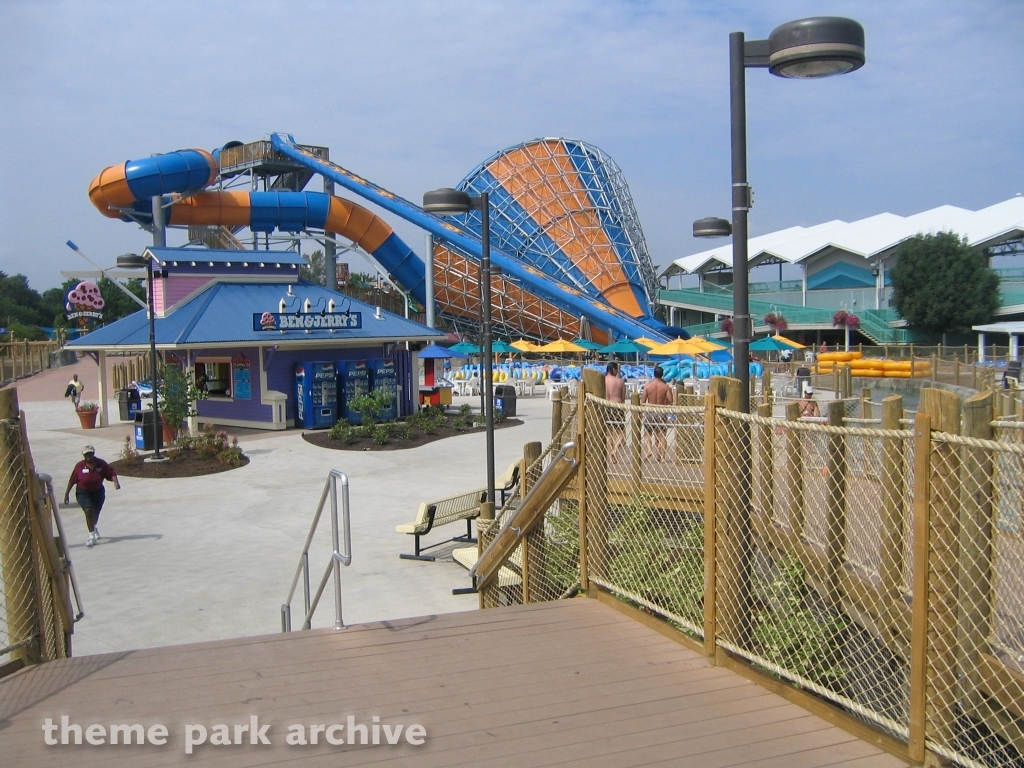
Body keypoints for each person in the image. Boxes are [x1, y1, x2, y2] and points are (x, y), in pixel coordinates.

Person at [64, 445, 120, 547]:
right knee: (88, 510)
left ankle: (93, 527)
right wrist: (67, 494)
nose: (88, 456)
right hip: (83, 492)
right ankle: (91, 536)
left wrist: (116, 482)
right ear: (84, 455)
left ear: (93, 453)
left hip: (98, 492)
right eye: (86, 454)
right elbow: (72, 480)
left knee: (95, 513)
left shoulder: (101, 464)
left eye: (90, 453)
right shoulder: (79, 466)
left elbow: (111, 473)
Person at [641, 365, 674, 461]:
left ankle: (649, 449)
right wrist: (664, 402)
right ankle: (662, 457)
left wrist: (641, 412)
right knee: (661, 435)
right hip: (661, 411)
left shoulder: (648, 386)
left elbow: (643, 401)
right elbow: (671, 400)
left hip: (650, 411)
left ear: (654, 374)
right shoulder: (666, 387)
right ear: (662, 375)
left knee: (647, 434)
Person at [605, 361, 626, 458]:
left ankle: (610, 454)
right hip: (617, 407)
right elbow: (622, 398)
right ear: (613, 369)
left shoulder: (602, 380)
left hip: (606, 406)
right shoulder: (620, 381)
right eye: (616, 369)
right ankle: (614, 450)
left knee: (608, 433)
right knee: (621, 434)